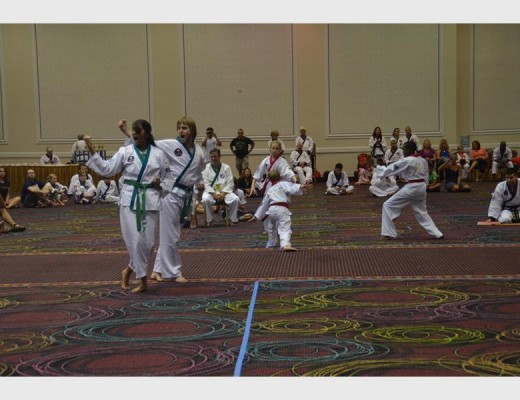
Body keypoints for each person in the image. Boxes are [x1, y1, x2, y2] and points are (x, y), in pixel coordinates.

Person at [85, 119, 174, 293]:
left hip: (149, 199)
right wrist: (90, 147)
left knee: (148, 245)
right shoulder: (125, 151)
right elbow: (107, 169)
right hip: (129, 200)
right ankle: (143, 281)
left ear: (146, 134)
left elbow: (169, 178)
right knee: (136, 241)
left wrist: (160, 184)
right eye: (133, 131)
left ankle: (128, 270)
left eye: (137, 131)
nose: (134, 134)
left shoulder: (158, 154)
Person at [376, 141, 443, 240]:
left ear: (408, 149)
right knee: (421, 212)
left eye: (404, 149)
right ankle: (437, 233)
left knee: (387, 205)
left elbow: (393, 168)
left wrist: (380, 169)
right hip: (422, 187)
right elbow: (426, 174)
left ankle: (388, 233)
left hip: (412, 187)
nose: (403, 151)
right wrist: (425, 185)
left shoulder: (408, 160)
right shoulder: (422, 160)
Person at [249, 169, 309, 252]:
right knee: (285, 227)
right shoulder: (283, 183)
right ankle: (285, 244)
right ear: (280, 177)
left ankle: (271, 243)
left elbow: (263, 204)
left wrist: (256, 216)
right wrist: (301, 186)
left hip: (271, 210)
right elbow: (291, 187)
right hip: (282, 208)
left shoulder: (270, 189)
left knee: (271, 228)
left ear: (270, 180)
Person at [201, 148, 240, 226]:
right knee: (205, 199)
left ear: (219, 156)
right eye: (211, 157)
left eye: (215, 156)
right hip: (210, 192)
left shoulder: (226, 167)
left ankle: (231, 219)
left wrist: (223, 194)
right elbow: (206, 184)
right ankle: (210, 219)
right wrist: (213, 194)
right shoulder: (206, 168)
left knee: (235, 199)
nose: (213, 158)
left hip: (224, 191)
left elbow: (230, 183)